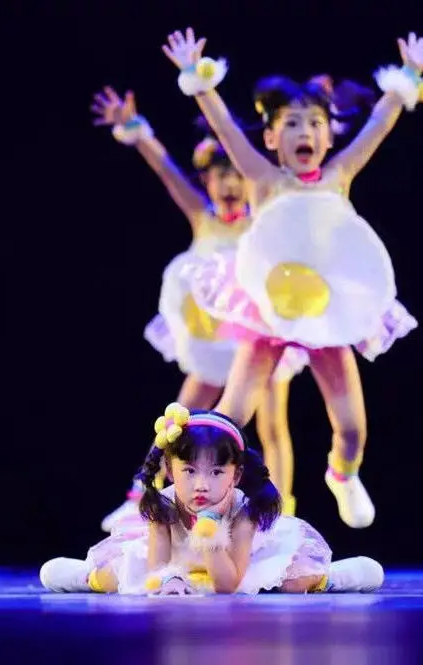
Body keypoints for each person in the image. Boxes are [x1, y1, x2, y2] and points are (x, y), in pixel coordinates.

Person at [160, 28, 421, 528]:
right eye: (293, 123)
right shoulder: (262, 178)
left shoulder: (338, 175)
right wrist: (199, 79)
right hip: (268, 309)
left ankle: (342, 475)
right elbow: (226, 131)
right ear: (274, 137)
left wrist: (406, 79)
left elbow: (379, 125)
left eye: (315, 123)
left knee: (350, 430)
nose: (305, 131)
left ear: (327, 136)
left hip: (325, 313)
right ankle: (202, 494)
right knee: (230, 417)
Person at [90, 87, 306, 531]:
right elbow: (167, 171)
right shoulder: (202, 218)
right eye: (218, 176)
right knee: (178, 419)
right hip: (211, 341)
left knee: (272, 426)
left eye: (236, 176)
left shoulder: (263, 220)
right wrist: (135, 130)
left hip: (258, 338)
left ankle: (277, 514)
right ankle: (143, 497)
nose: (228, 185)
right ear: (205, 180)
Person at [39, 404, 383, 595]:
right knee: (122, 578)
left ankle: (330, 578)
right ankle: (88, 577)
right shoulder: (164, 506)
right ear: (171, 472)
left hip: (235, 568)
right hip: (181, 565)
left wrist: (212, 540)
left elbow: (229, 585)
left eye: (216, 473)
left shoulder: (244, 512)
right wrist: (169, 580)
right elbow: (158, 566)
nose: (201, 484)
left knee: (293, 581)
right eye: (190, 471)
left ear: (235, 475)